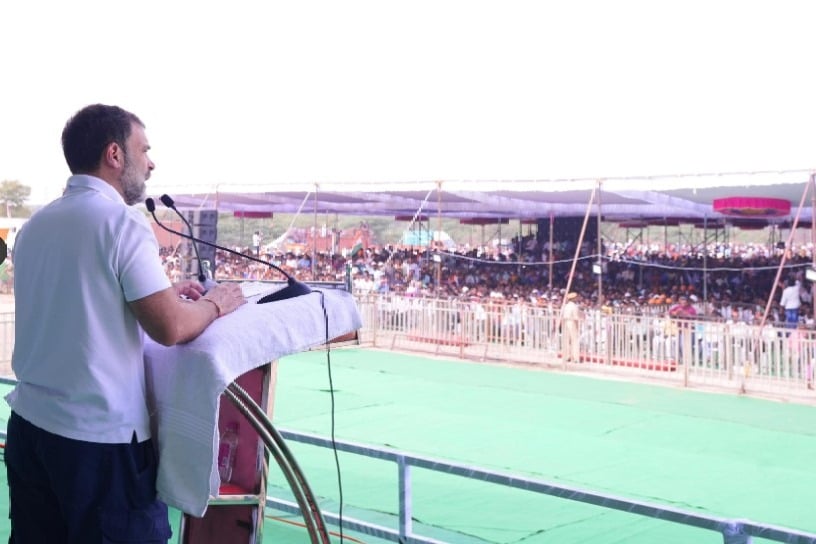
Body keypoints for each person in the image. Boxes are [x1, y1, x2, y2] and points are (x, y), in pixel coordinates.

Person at [4, 104, 246, 543]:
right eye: (144, 149)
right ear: (114, 154)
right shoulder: (122, 222)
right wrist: (214, 304)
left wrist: (167, 292)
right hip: (97, 443)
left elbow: (81, 299)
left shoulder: (36, 225)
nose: (151, 162)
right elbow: (170, 329)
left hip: (31, 429)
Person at [561, 292, 582, 363]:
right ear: (573, 299)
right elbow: (576, 317)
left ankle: (567, 356)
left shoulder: (566, 306)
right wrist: (578, 325)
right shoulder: (574, 306)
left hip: (565, 322)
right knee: (574, 340)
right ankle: (575, 358)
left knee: (566, 341)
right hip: (572, 322)